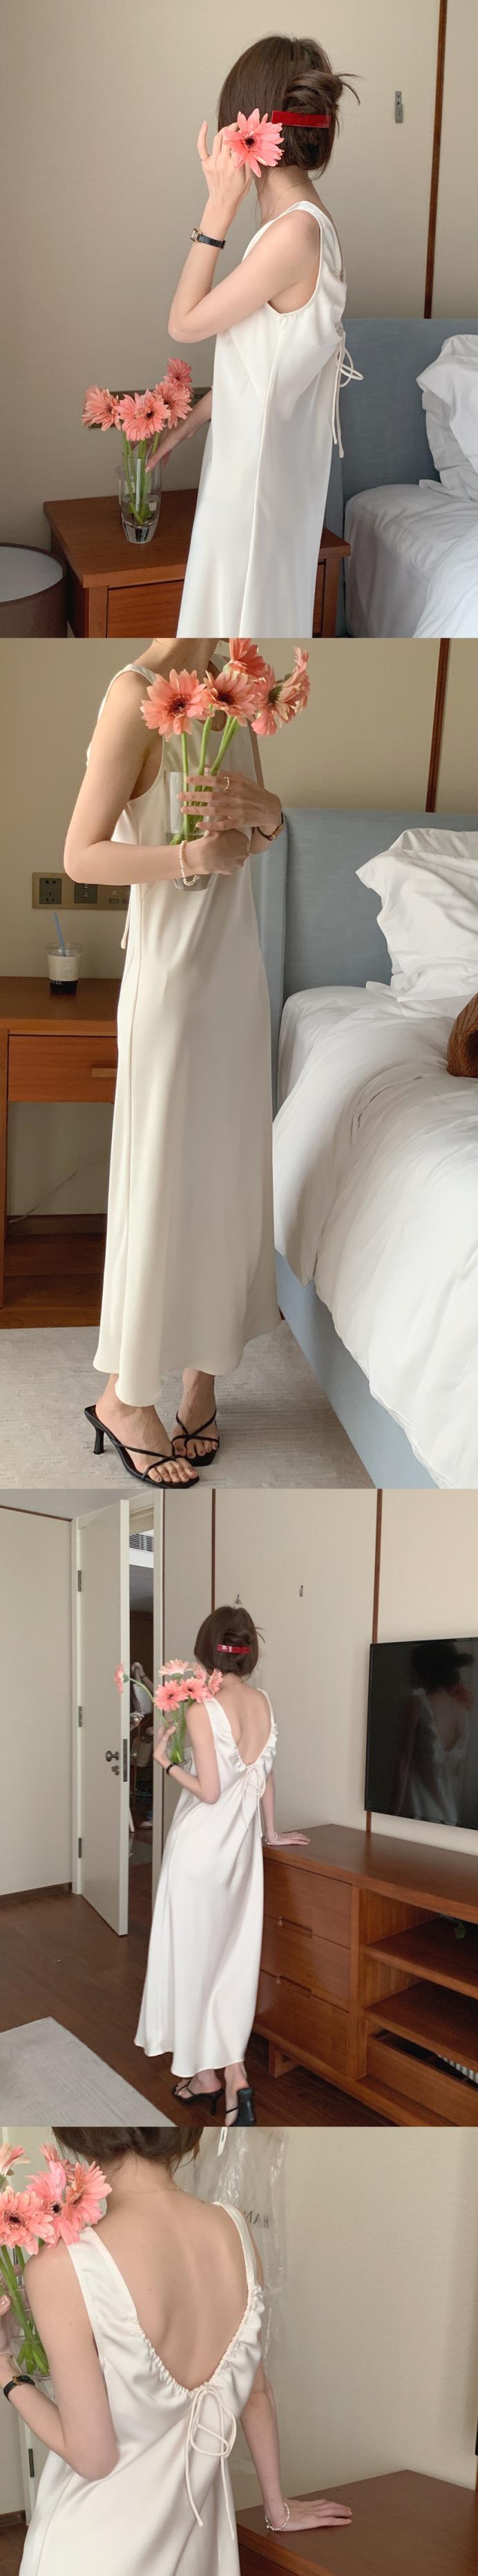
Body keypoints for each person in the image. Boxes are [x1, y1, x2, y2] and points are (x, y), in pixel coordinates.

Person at [1, 2125, 352, 2576]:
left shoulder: (63, 2267)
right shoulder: (236, 2234)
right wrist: (277, 2507)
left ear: (77, 2137)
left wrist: (5, 2372)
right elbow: (256, 2392)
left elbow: (93, 2456)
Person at [64, 641, 283, 1488]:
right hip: (172, 983)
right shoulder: (135, 694)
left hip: (235, 979)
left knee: (223, 1182)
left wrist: (268, 812)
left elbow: (255, 834)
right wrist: (189, 857)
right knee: (161, 1187)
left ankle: (203, 1380)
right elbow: (83, 854)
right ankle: (124, 1397)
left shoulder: (238, 684)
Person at [162, 34, 358, 632]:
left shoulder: (294, 233)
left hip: (254, 488)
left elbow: (183, 322)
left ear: (245, 127)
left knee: (233, 637)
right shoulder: (302, 225)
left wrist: (217, 210)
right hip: (260, 477)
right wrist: (198, 415)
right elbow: (272, 364)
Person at [135, 1603, 308, 2122]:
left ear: (208, 1653)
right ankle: (230, 2078)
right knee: (229, 1963)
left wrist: (165, 1763)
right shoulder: (264, 1703)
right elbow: (265, 1776)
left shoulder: (201, 1709)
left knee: (194, 1963)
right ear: (247, 1654)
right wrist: (271, 1833)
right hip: (240, 1855)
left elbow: (209, 1791)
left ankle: (210, 2075)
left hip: (198, 1852)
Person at [391, 1641, 475, 1824]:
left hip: (416, 1809)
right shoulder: (463, 1713)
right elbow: (456, 1769)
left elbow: (403, 1762)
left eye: (413, 1668)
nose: (409, 1673)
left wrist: (392, 1812)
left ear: (426, 1671)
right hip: (447, 1815)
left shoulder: (416, 1704)